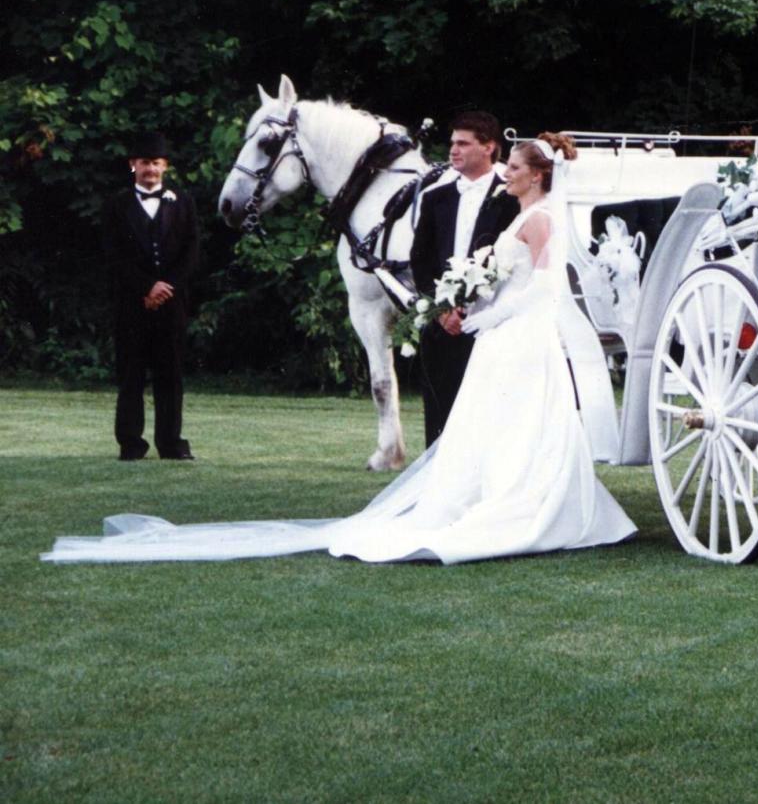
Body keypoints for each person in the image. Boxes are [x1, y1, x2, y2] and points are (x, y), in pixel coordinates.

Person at [42, 133, 636, 565]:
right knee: (494, 422)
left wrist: (481, 318)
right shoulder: (523, 214)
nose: (507, 173)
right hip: (496, 330)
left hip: (516, 334)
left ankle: (521, 502)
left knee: (520, 421)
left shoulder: (538, 219)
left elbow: (542, 291)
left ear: (536, 175)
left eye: (515, 167)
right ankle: (496, 495)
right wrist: (469, 305)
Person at [410, 111, 519, 446]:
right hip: (443, 322)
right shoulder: (434, 198)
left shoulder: (511, 198)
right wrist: (442, 309)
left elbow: (514, 260)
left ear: (489, 147)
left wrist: (475, 306)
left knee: (485, 413)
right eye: (452, 143)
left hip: (490, 320)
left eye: (463, 143)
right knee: (439, 410)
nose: (453, 150)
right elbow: (420, 260)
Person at [102, 132, 200, 461]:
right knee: (131, 374)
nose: (150, 169)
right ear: (133, 165)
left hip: (172, 302)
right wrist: (146, 287)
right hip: (132, 303)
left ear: (165, 166)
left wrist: (166, 286)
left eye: (156, 163)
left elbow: (192, 250)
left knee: (170, 374)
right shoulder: (116, 205)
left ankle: (171, 444)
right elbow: (113, 255)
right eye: (144, 163)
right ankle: (131, 444)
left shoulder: (183, 201)